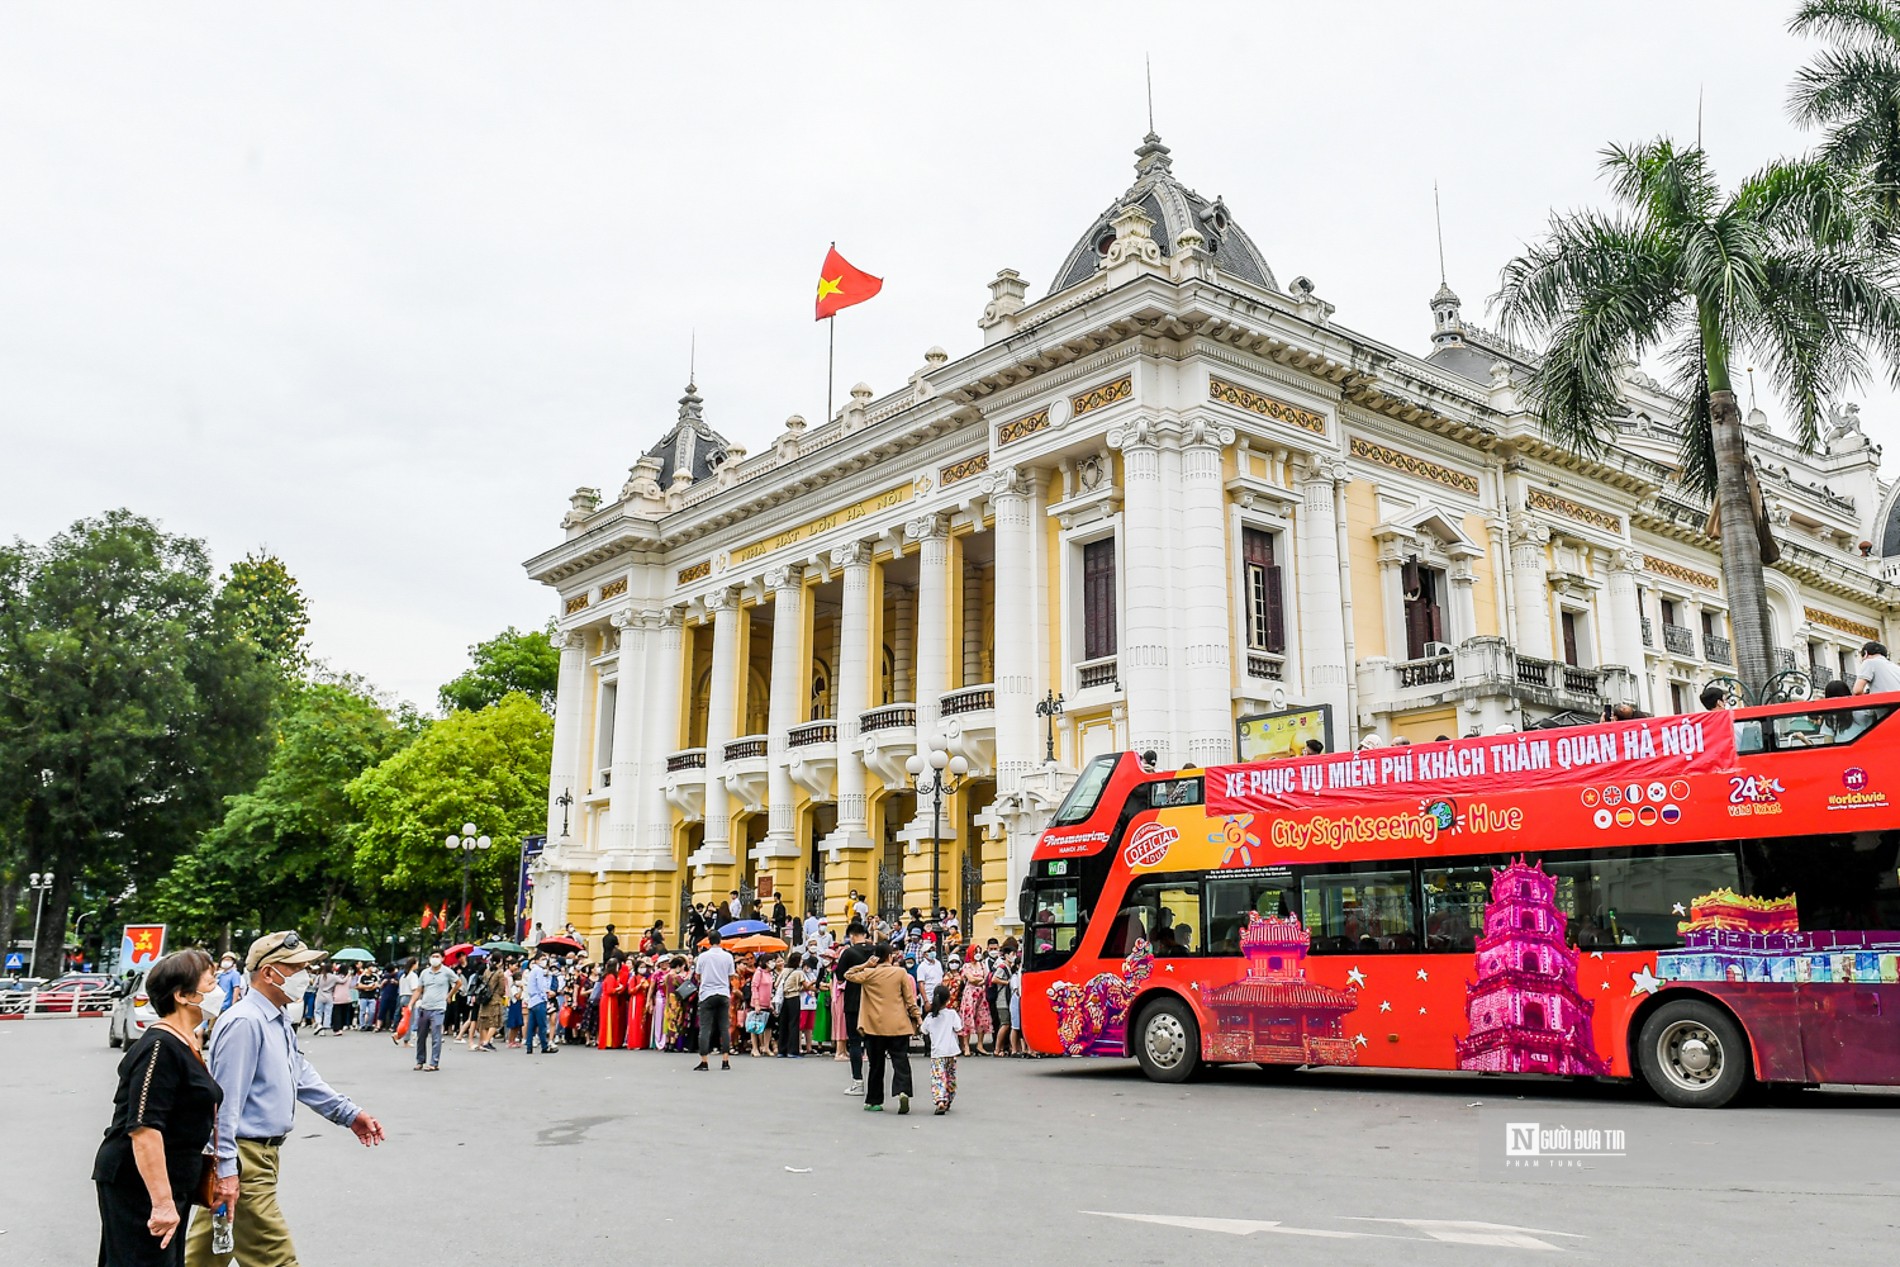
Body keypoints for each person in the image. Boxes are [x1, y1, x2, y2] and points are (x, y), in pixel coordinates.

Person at [183, 931, 383, 1267]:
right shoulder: (245, 1022)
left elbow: (301, 1076)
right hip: (245, 1158)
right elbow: (224, 1104)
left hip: (258, 1157)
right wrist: (229, 1169)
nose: (305, 975)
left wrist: (349, 1113)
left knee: (205, 1258)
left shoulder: (276, 1019)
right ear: (268, 973)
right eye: (297, 967)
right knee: (276, 1259)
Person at [94, 949, 222, 1266]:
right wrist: (162, 1202)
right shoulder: (160, 1047)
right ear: (182, 995)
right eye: (211, 982)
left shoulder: (187, 1042)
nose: (218, 990)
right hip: (140, 1185)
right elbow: (144, 1128)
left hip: (172, 1181)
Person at [844, 943, 921, 1113]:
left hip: (874, 1026)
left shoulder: (869, 974)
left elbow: (847, 974)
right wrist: (917, 1016)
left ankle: (874, 1100)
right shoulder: (900, 972)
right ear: (890, 957)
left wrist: (866, 965)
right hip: (898, 1024)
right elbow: (909, 999)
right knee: (900, 1060)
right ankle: (903, 1091)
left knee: (876, 1065)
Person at [835, 923, 874, 1093]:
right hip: (874, 1000)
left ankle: (858, 1081)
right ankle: (875, 1082)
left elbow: (840, 977)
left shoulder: (848, 952)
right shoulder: (876, 950)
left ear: (851, 936)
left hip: (853, 1001)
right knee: (873, 1042)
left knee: (855, 1042)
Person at [692, 930, 736, 1071]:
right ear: (720, 940)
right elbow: (731, 976)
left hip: (707, 993)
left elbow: (697, 976)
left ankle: (704, 1061)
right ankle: (725, 1060)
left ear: (709, 941)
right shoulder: (728, 956)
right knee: (724, 1027)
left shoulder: (703, 957)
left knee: (705, 1028)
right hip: (723, 992)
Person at [408, 951, 459, 1071]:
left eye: (437, 957)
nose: (435, 959)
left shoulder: (446, 972)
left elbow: (458, 982)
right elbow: (419, 990)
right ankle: (420, 1060)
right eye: (433, 956)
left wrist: (449, 995)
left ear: (442, 958)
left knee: (436, 1036)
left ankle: (434, 1062)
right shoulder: (425, 973)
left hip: (439, 1008)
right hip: (425, 1006)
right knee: (421, 1036)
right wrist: (411, 1003)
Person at [921, 983, 963, 1115]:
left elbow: (923, 1030)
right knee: (950, 1077)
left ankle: (940, 1100)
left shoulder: (930, 1017)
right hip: (951, 1051)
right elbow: (959, 1028)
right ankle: (948, 1099)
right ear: (948, 999)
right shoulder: (951, 1014)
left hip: (937, 1052)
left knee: (938, 1077)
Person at [957, 953, 992, 1055]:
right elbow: (970, 979)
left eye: (979, 951)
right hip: (970, 994)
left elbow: (987, 978)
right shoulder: (966, 966)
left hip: (981, 994)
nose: (977, 954)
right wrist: (979, 979)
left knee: (982, 1018)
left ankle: (980, 1045)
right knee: (968, 1018)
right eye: (975, 951)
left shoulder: (982, 965)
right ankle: (966, 1046)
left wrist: (978, 980)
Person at [522, 954, 557, 1055]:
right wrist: (544, 997)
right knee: (542, 1025)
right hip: (539, 1000)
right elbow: (541, 986)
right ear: (536, 960)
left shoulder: (532, 971)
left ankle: (529, 1046)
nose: (544, 961)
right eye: (542, 959)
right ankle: (544, 1046)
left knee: (531, 1026)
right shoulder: (539, 971)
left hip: (532, 1001)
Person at [775, 952, 807, 1058]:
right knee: (794, 1024)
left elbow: (776, 984)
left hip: (784, 998)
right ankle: (792, 1050)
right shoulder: (799, 972)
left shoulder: (784, 971)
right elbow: (805, 986)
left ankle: (782, 1050)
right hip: (794, 997)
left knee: (783, 1023)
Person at [477, 957, 508, 1051]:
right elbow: (502, 988)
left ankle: (484, 1041)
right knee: (494, 1023)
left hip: (485, 999)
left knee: (484, 1022)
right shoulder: (500, 973)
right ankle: (487, 1042)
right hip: (495, 999)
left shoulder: (487, 971)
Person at [328, 967, 356, 1034]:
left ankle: (337, 1028)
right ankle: (341, 1027)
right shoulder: (349, 978)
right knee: (343, 1013)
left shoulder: (335, 977)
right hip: (346, 997)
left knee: (337, 1014)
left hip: (337, 997)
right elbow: (351, 986)